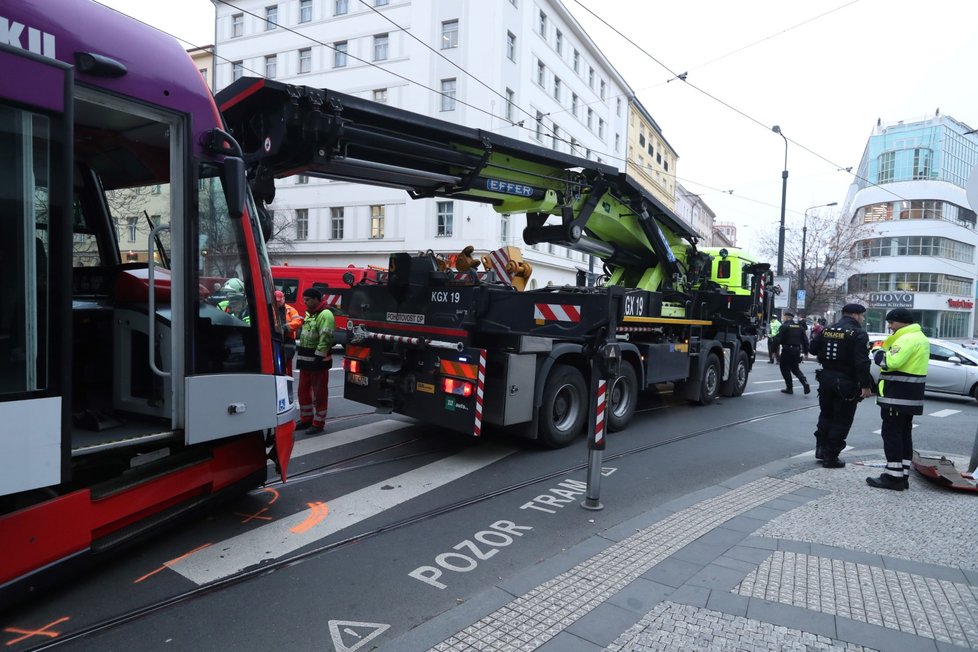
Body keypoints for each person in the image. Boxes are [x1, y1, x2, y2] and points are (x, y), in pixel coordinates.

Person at [867, 307, 929, 491]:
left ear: (902, 322)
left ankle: (893, 478)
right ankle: (901, 475)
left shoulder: (907, 338)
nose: (889, 326)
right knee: (903, 434)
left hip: (897, 396)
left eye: (892, 322)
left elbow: (891, 362)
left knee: (891, 434)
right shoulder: (920, 338)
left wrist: (877, 350)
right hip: (909, 396)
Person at [809, 304, 873, 468]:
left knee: (826, 414)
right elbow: (862, 362)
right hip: (846, 381)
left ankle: (821, 450)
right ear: (855, 315)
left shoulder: (827, 329)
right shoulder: (858, 333)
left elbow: (813, 348)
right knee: (842, 419)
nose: (863, 319)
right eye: (862, 316)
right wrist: (866, 386)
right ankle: (831, 457)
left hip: (826, 378)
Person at [295, 288, 335, 435]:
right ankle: (306, 419)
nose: (305, 302)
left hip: (318, 360)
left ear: (317, 299)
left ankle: (318, 422)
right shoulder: (310, 314)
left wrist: (319, 357)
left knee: (319, 393)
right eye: (304, 300)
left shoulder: (326, 315)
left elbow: (326, 337)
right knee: (303, 391)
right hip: (306, 359)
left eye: (308, 300)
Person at [772, 310, 810, 394]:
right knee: (795, 368)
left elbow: (777, 339)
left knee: (784, 368)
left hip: (787, 350)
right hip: (796, 350)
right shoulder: (799, 327)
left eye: (784, 317)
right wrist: (806, 352)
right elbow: (805, 340)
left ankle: (789, 388)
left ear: (787, 317)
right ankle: (805, 382)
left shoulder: (784, 326)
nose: (783, 318)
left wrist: (774, 351)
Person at [275, 290, 303, 376]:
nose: (278, 303)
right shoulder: (271, 309)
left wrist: (284, 328)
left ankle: (288, 379)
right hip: (276, 339)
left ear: (284, 298)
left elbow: (298, 322)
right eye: (276, 301)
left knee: (287, 361)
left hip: (288, 340)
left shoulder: (291, 310)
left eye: (279, 301)